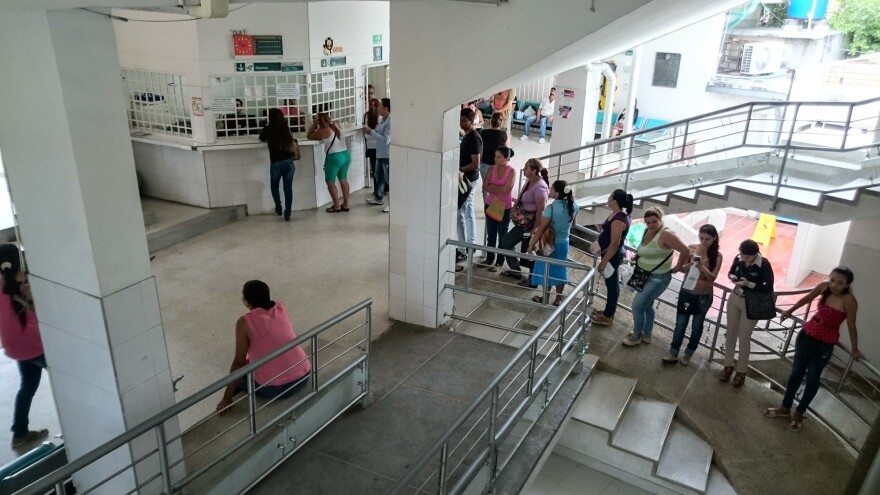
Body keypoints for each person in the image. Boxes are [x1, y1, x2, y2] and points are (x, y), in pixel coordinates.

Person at [765, 267, 861, 431]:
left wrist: (854, 349)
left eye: (840, 283)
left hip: (824, 344)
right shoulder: (824, 287)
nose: (834, 285)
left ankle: (799, 412)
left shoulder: (849, 300)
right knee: (796, 374)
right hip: (806, 336)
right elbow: (808, 297)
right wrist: (790, 311)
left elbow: (852, 325)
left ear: (847, 285)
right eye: (832, 280)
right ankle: (785, 408)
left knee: (812, 380)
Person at [217, 280, 312, 415]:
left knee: (239, 378)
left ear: (246, 302)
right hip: (305, 374)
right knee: (248, 365)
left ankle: (228, 403)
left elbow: (238, 362)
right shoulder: (281, 307)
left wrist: (226, 397)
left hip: (279, 389)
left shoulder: (244, 322)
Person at [0, 244, 48, 448]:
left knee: (27, 386)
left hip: (16, 349)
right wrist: (30, 297)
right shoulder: (22, 288)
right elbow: (40, 316)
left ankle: (19, 433)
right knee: (69, 380)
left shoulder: (3, 288)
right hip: (35, 347)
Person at [622, 207, 689, 347]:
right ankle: (647, 334)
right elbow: (646, 248)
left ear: (661, 220)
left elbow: (685, 250)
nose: (651, 225)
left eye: (654, 222)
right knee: (647, 305)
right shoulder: (647, 231)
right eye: (648, 222)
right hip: (644, 274)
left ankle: (636, 335)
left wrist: (677, 268)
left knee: (637, 306)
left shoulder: (666, 234)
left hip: (658, 278)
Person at [662, 225, 723, 365]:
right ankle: (673, 352)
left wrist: (702, 267)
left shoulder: (717, 255)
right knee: (681, 323)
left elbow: (712, 278)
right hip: (687, 291)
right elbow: (682, 269)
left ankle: (688, 353)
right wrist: (691, 265)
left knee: (697, 325)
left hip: (704, 295)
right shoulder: (691, 248)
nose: (704, 241)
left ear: (714, 238)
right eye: (701, 238)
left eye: (708, 239)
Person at [720, 239, 775, 387]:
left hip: (751, 303)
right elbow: (731, 272)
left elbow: (768, 287)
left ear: (756, 254)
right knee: (730, 333)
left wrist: (749, 284)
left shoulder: (764, 264)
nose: (744, 259)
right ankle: (728, 365)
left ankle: (741, 371)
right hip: (735, 297)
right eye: (743, 256)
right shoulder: (738, 259)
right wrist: (732, 277)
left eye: (748, 257)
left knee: (744, 337)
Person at [527, 180, 577, 306]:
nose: (550, 191)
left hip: (549, 244)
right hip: (563, 243)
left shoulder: (551, 208)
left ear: (557, 193)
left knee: (546, 269)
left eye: (552, 189)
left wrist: (531, 244)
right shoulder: (575, 206)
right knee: (560, 269)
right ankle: (558, 298)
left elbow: (541, 229)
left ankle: (545, 297)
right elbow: (573, 224)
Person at [499, 159, 549, 280]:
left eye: (526, 168)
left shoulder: (540, 187)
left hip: (529, 224)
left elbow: (540, 211)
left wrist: (535, 230)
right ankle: (516, 271)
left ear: (534, 170)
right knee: (508, 243)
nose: (523, 169)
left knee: (529, 249)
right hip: (523, 222)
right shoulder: (529, 181)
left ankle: (531, 279)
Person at [590, 189, 634, 326]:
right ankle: (607, 311)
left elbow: (614, 244)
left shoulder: (618, 220)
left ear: (614, 200)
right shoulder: (616, 215)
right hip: (609, 253)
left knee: (612, 285)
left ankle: (608, 315)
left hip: (612, 256)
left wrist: (604, 262)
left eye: (610, 196)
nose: (608, 198)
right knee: (611, 284)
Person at [308, 112, 351, 213]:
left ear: (318, 122)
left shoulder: (324, 131)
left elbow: (309, 135)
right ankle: (346, 204)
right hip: (346, 154)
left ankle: (336, 206)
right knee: (343, 180)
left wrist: (313, 125)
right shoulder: (337, 124)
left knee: (330, 182)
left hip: (335, 157)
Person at [259, 108, 296, 221]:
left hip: (276, 163)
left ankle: (279, 208)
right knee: (288, 188)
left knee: (274, 186)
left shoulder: (268, 129)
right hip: (289, 162)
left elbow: (261, 138)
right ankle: (288, 213)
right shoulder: (286, 128)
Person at [482, 146, 516, 271]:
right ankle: (489, 259)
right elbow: (485, 186)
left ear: (507, 158)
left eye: (499, 157)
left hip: (504, 207)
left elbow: (506, 189)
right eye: (495, 156)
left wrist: (493, 187)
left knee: (502, 235)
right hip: (490, 204)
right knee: (491, 234)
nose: (495, 159)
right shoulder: (492, 168)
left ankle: (499, 261)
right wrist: (498, 188)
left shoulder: (511, 171)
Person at [457, 108, 483, 269]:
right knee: (468, 210)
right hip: (466, 178)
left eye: (464, 121)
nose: (461, 123)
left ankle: (463, 249)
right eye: (460, 120)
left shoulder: (474, 138)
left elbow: (476, 164)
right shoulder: (466, 135)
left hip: (469, 180)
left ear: (471, 121)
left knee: (460, 212)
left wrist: (460, 169)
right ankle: (469, 244)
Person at [366, 98, 391, 212]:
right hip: (380, 154)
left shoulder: (390, 121)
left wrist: (371, 132)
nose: (378, 107)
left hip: (386, 154)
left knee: (389, 180)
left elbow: (386, 140)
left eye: (380, 106)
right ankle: (378, 198)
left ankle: (392, 204)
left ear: (386, 108)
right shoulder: (383, 120)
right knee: (378, 177)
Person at [478, 112, 509, 204]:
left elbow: (480, 149)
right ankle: (494, 207)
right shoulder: (503, 135)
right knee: (497, 186)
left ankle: (486, 206)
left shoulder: (483, 133)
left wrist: (479, 162)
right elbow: (506, 151)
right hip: (498, 165)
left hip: (485, 164)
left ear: (491, 121)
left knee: (486, 187)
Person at [363, 98, 380, 189]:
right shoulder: (381, 117)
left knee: (375, 169)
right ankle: (382, 190)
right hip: (380, 146)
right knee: (382, 169)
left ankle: (377, 190)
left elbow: (365, 131)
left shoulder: (366, 116)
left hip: (370, 146)